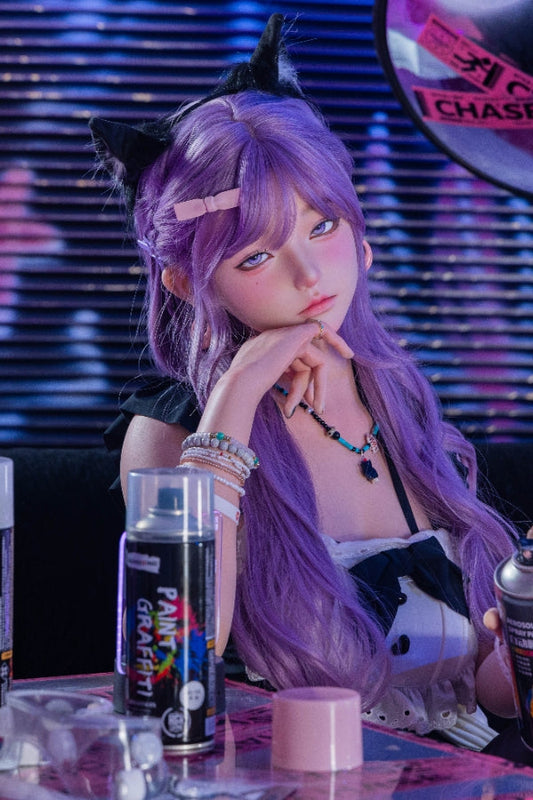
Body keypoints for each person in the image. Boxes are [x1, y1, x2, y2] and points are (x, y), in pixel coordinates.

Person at [91, 14, 520, 750]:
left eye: (322, 226)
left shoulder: (391, 392)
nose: (309, 273)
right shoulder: (171, 432)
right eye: (255, 257)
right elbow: (170, 672)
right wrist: (235, 396)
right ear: (188, 283)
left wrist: (515, 656)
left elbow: (478, 691)